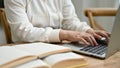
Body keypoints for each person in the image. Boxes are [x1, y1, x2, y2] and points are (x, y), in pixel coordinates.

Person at [4, 0, 110, 46]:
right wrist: (65, 34)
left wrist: (89, 31)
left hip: (59, 48)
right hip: (27, 50)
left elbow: (70, 21)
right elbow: (22, 31)